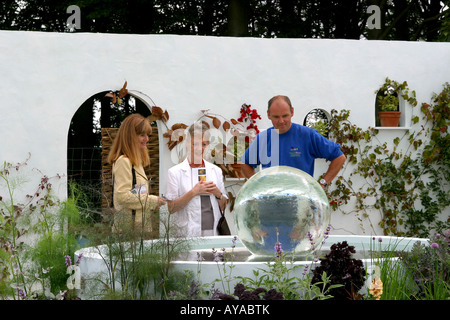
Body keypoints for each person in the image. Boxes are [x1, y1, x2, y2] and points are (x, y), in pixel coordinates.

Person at [241, 95, 346, 188]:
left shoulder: (308, 135)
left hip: (302, 202)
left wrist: (322, 183)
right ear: (268, 115)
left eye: (285, 116)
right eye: (276, 117)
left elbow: (339, 157)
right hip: (271, 203)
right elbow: (245, 163)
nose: (281, 121)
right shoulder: (263, 138)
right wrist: (257, 184)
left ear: (292, 112)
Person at [165, 122, 228, 237]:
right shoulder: (175, 172)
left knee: (214, 254)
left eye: (203, 144)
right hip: (188, 235)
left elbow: (223, 206)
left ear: (208, 145)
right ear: (188, 144)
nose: (200, 148)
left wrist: (218, 194)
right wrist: (194, 192)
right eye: (195, 144)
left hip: (213, 233)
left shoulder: (216, 171)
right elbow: (171, 208)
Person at [107, 114, 166, 233]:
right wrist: (153, 200)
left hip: (138, 229)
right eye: (142, 135)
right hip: (128, 232)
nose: (147, 139)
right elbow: (122, 196)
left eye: (147, 135)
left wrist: (154, 204)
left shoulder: (135, 162)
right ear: (130, 137)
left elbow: (137, 194)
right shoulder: (123, 162)